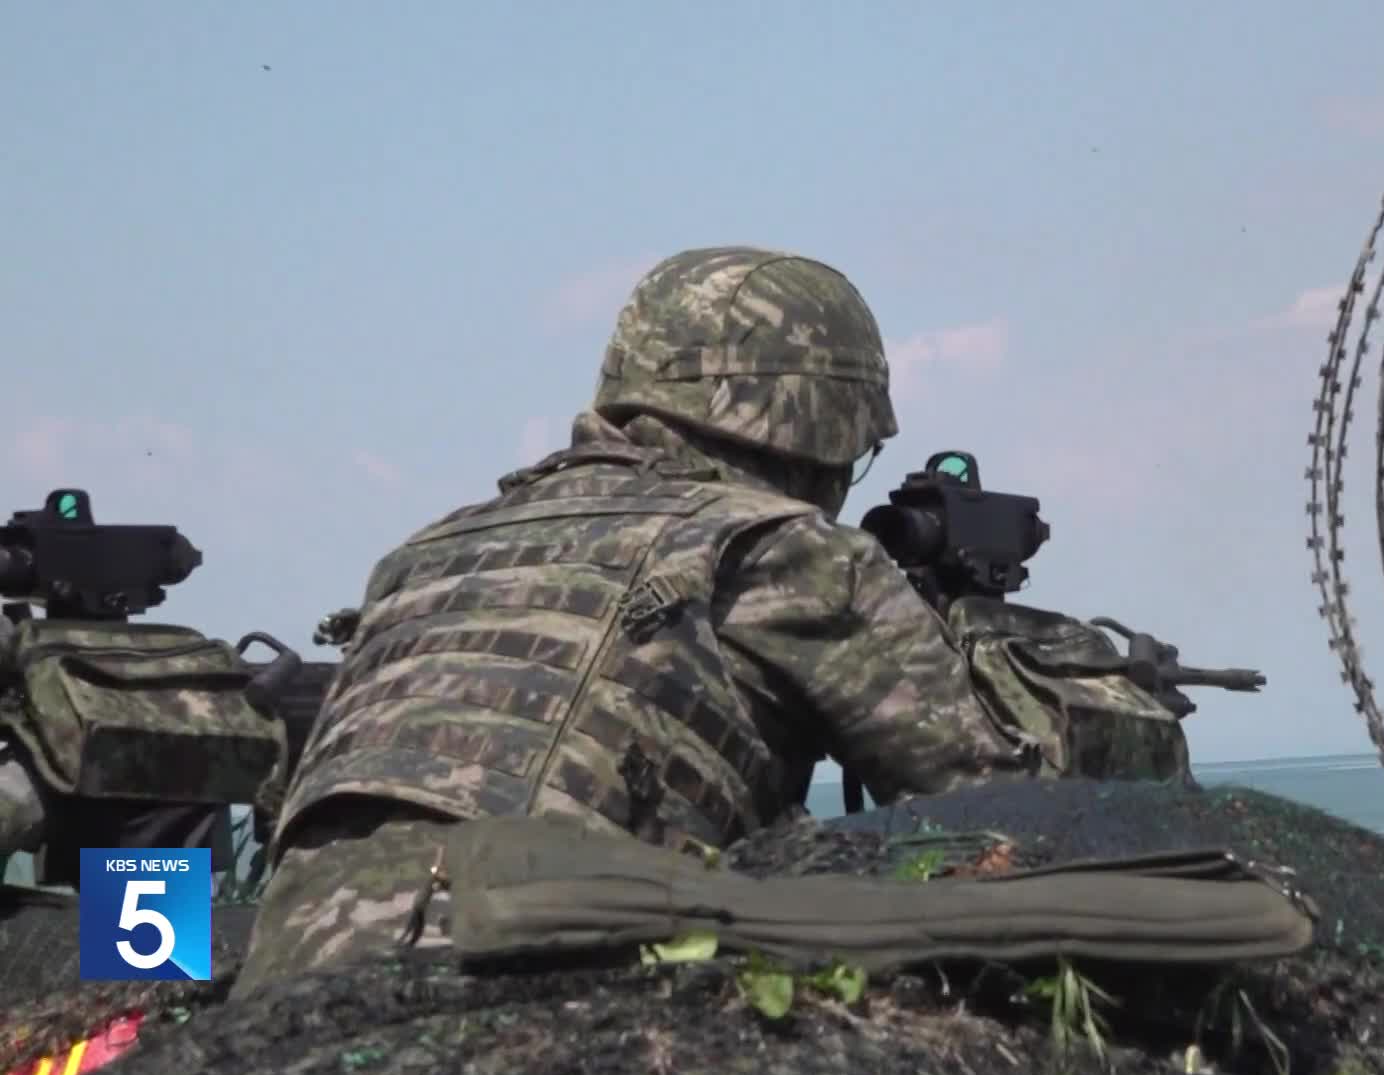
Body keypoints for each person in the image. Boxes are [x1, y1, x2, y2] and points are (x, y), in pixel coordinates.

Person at [234, 246, 1048, 993]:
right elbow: (1005, 813)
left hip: (284, 983)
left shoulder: (428, 550)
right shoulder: (793, 551)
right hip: (521, 986)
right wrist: (1033, 671)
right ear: (822, 424)